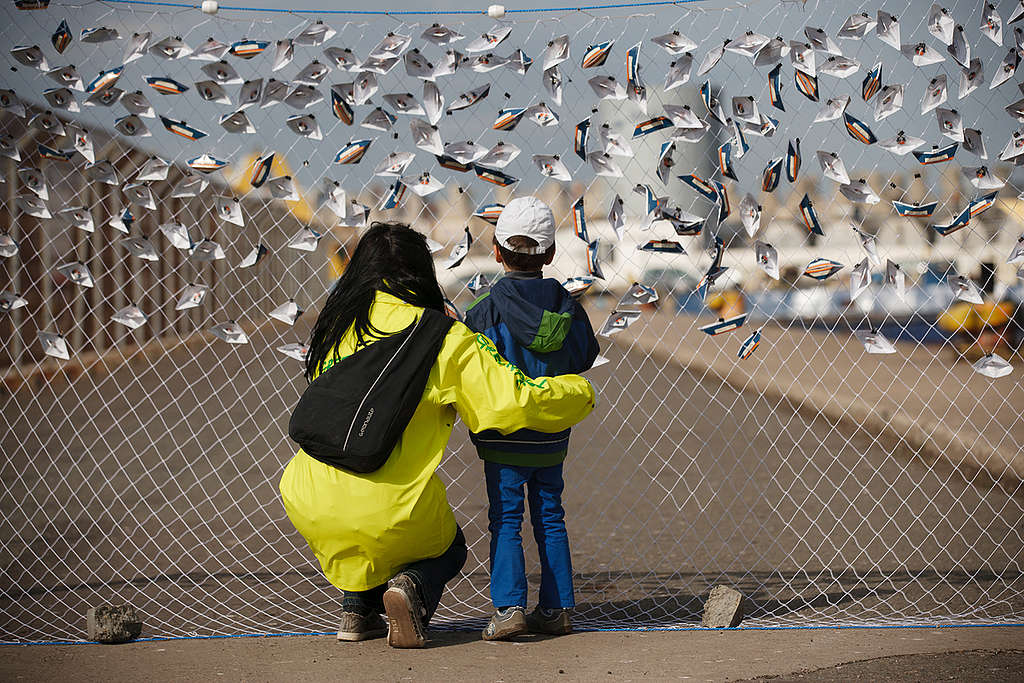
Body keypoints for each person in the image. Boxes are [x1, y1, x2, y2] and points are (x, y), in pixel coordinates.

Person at [279, 222, 597, 648]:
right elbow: (510, 402)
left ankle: (355, 611)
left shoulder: (338, 326)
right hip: (393, 507)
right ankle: (412, 587)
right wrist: (578, 391)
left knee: (357, 519)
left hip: (306, 495)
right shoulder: (442, 336)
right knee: (447, 547)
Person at [463, 197, 600, 641]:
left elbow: (468, 365)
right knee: (550, 514)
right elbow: (585, 355)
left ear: (497, 251)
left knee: (505, 518)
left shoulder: (485, 308)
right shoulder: (567, 305)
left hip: (503, 434)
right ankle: (558, 608)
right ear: (551, 254)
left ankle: (508, 609)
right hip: (550, 433)